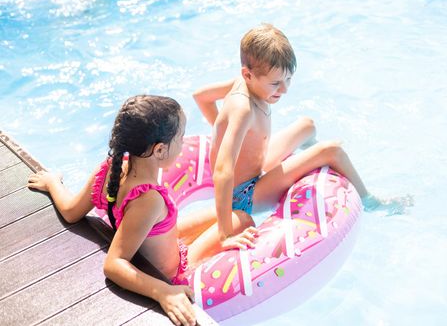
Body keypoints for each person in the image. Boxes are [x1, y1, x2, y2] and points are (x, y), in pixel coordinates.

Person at [190, 24, 411, 259]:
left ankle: (307, 156)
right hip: (245, 194)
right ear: (248, 74)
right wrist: (225, 233)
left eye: (288, 79)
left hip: (255, 166)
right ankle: (371, 202)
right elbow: (223, 171)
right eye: (275, 83)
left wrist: (229, 134)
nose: (284, 90)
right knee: (332, 150)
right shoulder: (242, 110)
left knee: (307, 125)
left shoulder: (242, 82)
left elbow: (200, 97)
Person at [28, 95, 199, 326]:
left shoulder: (113, 169)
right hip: (169, 274)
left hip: (152, 243)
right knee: (239, 220)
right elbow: (113, 264)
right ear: (159, 150)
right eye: (180, 137)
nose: (183, 143)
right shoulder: (149, 199)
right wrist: (163, 292)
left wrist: (52, 184)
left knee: (216, 219)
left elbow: (70, 211)